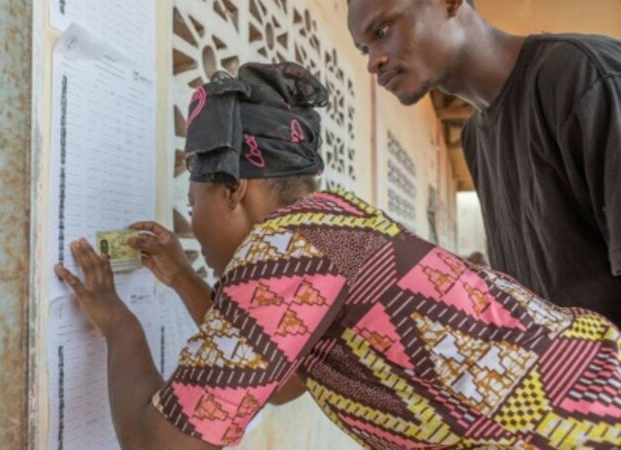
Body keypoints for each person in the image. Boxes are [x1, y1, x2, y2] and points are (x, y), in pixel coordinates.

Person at [54, 63, 621, 449]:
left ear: (234, 191)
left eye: (193, 200)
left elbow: (162, 444)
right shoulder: (336, 219)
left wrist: (117, 321)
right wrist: (181, 277)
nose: (192, 223)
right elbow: (283, 382)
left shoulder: (283, 248)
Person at [346, 0, 621, 326]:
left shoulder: (581, 75)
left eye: (383, 30)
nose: (373, 62)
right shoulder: (474, 139)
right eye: (364, 49)